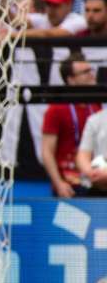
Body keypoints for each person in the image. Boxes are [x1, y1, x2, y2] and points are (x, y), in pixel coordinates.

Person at [42, 54, 100, 197]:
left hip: (97, 180)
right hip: (70, 184)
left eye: (91, 70)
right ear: (71, 80)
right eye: (85, 72)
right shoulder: (57, 109)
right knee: (73, 219)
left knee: (99, 218)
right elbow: (46, 151)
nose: (91, 75)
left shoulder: (96, 105)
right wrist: (58, 183)